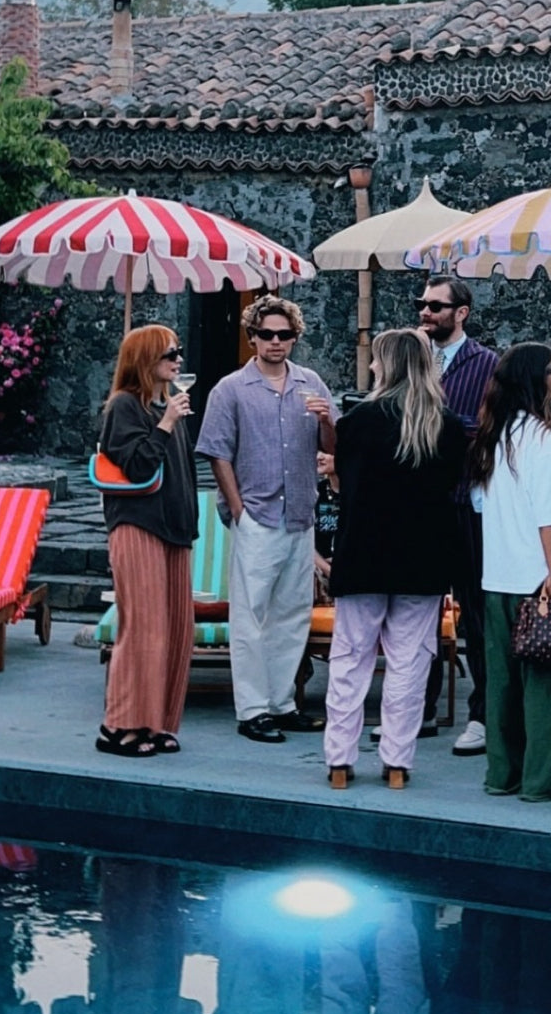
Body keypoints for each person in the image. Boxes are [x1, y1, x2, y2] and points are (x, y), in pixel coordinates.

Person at [322, 329, 467, 789]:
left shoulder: (357, 421)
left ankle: (340, 759)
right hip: (422, 556)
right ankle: (398, 761)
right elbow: (450, 488)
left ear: (387, 364)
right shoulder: (445, 424)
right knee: (409, 662)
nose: (370, 368)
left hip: (362, 551)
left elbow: (344, 489)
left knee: (349, 658)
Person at [196, 294, 338, 744]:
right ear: (252, 336)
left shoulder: (311, 383)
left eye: (284, 335)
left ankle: (283, 703)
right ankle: (253, 709)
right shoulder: (230, 389)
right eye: (266, 334)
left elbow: (334, 446)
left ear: (295, 337)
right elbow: (216, 450)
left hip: (300, 512)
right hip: (257, 512)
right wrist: (237, 508)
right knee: (251, 616)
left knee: (292, 614)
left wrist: (327, 420)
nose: (275, 342)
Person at [469, 342, 551, 802]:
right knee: (546, 684)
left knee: (503, 684)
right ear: (538, 380)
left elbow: (479, 503)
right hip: (538, 576)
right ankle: (542, 778)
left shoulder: (493, 436)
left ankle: (502, 773)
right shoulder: (543, 438)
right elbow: (549, 514)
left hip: (497, 576)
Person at [96, 325, 198, 758]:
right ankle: (118, 726)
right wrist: (167, 422)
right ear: (145, 360)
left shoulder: (162, 404)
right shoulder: (124, 407)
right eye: (169, 354)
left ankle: (155, 722)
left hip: (173, 527)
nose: (178, 360)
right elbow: (137, 467)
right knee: (143, 629)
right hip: (137, 526)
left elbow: (183, 473)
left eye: (178, 352)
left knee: (177, 629)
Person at [416, 274, 499, 756]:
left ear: (461, 312)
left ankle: (482, 717)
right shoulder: (411, 359)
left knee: (477, 613)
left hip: (467, 502)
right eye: (423, 304)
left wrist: (439, 426)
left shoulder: (486, 364)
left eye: (435, 306)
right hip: (421, 504)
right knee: (419, 613)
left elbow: (487, 429)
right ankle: (419, 709)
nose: (425, 312)